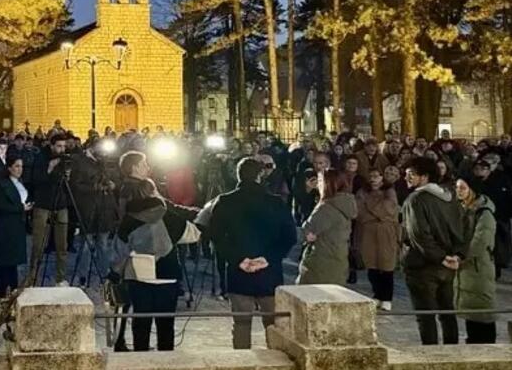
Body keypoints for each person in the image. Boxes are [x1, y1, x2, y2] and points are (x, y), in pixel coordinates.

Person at [112, 151, 198, 352]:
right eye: (143, 164)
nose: (147, 166)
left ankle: (139, 357)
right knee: (165, 324)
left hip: (138, 272)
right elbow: (191, 233)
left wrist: (117, 269)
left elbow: (120, 245)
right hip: (166, 272)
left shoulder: (130, 217)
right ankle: (164, 360)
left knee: (141, 321)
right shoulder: (163, 214)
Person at [209, 157, 297, 350]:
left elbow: (215, 236)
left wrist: (237, 259)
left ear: (237, 175)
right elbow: (289, 237)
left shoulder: (225, 201)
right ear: (260, 175)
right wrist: (268, 258)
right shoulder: (275, 202)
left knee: (241, 325)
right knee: (273, 325)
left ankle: (243, 362)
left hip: (238, 271)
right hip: (269, 271)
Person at [401, 156, 466, 346]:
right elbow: (461, 228)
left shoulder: (416, 199)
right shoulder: (449, 196)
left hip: (423, 266)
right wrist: (456, 255)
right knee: (447, 313)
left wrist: (441, 257)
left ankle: (432, 358)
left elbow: (419, 235)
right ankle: (452, 355)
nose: (406, 179)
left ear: (424, 176)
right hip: (448, 265)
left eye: (410, 175)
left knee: (426, 316)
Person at [70, 138, 119, 287]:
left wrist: (112, 184)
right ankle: (83, 275)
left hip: (104, 208)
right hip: (88, 208)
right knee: (86, 244)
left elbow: (112, 178)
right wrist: (94, 188)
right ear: (91, 147)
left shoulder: (102, 161)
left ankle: (104, 273)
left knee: (103, 244)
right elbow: (76, 186)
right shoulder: (80, 162)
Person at [454, 175, 497, 343]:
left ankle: (487, 346)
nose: (458, 191)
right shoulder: (462, 209)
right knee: (470, 309)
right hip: (466, 266)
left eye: (462, 187)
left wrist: (461, 257)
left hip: (479, 266)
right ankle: (474, 341)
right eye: (457, 187)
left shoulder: (484, 213)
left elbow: (480, 241)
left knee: (482, 309)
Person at [297, 169, 357, 285]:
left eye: (319, 181)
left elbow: (307, 232)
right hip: (338, 259)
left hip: (321, 262)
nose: (317, 185)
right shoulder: (345, 203)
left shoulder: (327, 208)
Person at [355, 169, 401, 310]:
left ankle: (387, 297)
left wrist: (371, 206)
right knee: (372, 265)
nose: (373, 179)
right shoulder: (361, 192)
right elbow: (359, 212)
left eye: (376, 176)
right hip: (368, 233)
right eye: (370, 176)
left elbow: (390, 210)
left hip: (386, 233)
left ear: (382, 178)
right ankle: (377, 294)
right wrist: (377, 214)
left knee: (386, 266)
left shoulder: (390, 192)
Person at [29, 135, 71, 285]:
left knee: (62, 246)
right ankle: (32, 277)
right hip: (43, 204)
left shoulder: (65, 159)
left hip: (60, 203)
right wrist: (50, 167)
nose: (62, 149)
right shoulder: (41, 157)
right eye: (59, 146)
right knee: (38, 244)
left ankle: (61, 278)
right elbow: (36, 179)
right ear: (52, 145)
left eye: (64, 146)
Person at [0, 156, 31, 298]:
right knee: (5, 262)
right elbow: (1, 206)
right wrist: (21, 208)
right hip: (6, 226)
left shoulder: (19, 182)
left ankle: (14, 291)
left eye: (21, 166)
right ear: (9, 168)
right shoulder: (1, 184)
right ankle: (2, 294)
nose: (19, 169)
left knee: (13, 262)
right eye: (16, 166)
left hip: (17, 225)